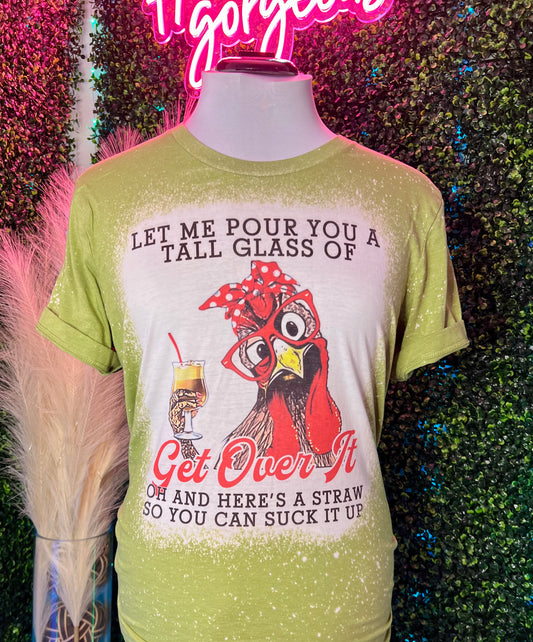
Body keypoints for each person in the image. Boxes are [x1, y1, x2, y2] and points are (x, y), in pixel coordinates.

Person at [38, 59, 469, 641]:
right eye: (257, 350)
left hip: (339, 604)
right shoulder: (109, 197)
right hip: (173, 605)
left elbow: (330, 419)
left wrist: (309, 365)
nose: (278, 352)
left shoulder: (403, 201)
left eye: (288, 329)